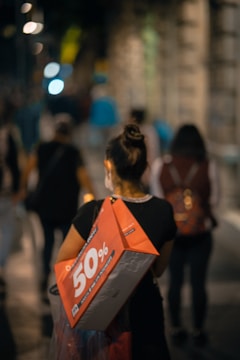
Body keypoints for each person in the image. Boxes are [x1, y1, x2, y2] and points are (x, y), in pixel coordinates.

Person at [54, 123, 177, 359]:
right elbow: (159, 269)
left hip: (101, 317)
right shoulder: (163, 211)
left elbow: (64, 265)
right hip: (146, 311)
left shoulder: (93, 212)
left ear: (109, 165)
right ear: (144, 167)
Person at [150, 123, 220, 347]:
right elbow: (215, 200)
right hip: (200, 233)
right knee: (199, 283)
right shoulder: (208, 165)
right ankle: (198, 329)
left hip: (173, 234)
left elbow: (159, 199)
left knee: (175, 281)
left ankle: (176, 326)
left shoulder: (162, 164)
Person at [20, 113, 96, 298]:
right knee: (67, 245)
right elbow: (83, 177)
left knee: (46, 243)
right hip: (67, 207)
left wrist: (22, 189)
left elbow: (28, 169)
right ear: (69, 132)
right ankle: (65, 282)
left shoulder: (41, 148)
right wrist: (93, 196)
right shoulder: (73, 152)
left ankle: (44, 277)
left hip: (45, 206)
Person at [0, 103, 21, 289]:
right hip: (4, 190)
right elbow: (14, 162)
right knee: (6, 230)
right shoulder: (7, 135)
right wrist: (17, 189)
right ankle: (1, 267)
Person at [128, 108, 161, 191]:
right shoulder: (151, 131)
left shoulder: (129, 133)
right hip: (147, 174)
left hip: (132, 176)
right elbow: (154, 154)